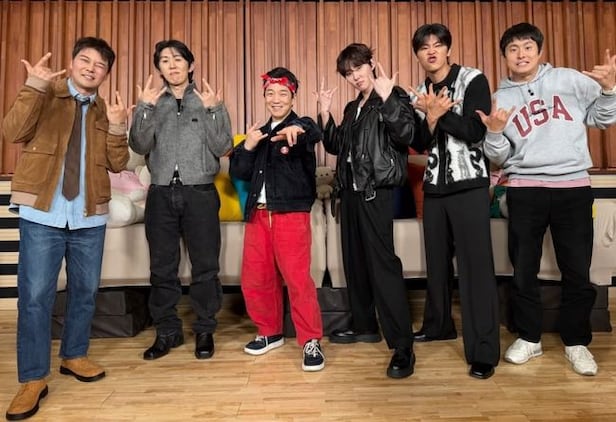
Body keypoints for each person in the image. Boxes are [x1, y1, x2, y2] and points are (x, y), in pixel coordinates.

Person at [479, 22, 616, 376]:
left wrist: (609, 90)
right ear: (504, 56)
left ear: (540, 51)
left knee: (577, 269)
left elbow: (601, 119)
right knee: (523, 269)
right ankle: (529, 338)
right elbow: (498, 155)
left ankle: (577, 342)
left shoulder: (568, 80)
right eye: (513, 49)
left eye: (528, 47)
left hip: (573, 187)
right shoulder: (499, 97)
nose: (521, 54)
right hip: (524, 189)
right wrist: (494, 133)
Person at [2, 38, 129, 420]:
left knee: (85, 292)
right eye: (84, 60)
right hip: (44, 212)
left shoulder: (105, 109)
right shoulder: (45, 93)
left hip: (89, 214)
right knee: (35, 297)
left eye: (100, 65)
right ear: (72, 63)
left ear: (106, 73)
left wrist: (118, 127)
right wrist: (33, 86)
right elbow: (12, 132)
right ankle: (32, 378)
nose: (91, 68)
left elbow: (117, 163)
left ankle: (74, 355)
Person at [314, 43, 415, 379]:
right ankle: (364, 325)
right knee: (355, 262)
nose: (355, 76)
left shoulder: (392, 95)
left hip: (376, 192)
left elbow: (406, 135)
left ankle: (402, 346)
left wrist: (388, 100)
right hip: (350, 194)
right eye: (348, 72)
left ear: (371, 64)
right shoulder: (351, 107)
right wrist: (325, 113)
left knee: (383, 266)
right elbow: (335, 145)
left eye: (358, 68)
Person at [129, 40, 232, 361]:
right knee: (162, 267)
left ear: (190, 65)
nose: (171, 65)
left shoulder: (208, 101)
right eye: (164, 60)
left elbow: (223, 146)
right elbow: (139, 144)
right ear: (159, 68)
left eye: (177, 59)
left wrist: (214, 110)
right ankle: (167, 332)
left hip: (200, 192)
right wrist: (144, 109)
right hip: (161, 193)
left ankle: (204, 329)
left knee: (205, 266)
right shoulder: (152, 103)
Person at [408, 23, 500, 379]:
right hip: (434, 187)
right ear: (418, 55)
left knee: (476, 269)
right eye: (424, 47)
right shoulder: (420, 91)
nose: (431, 51)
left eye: (438, 44)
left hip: (469, 185)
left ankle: (484, 351)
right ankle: (438, 326)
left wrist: (439, 114)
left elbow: (475, 133)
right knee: (437, 264)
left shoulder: (473, 80)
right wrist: (429, 117)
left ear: (448, 49)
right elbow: (419, 141)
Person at [229, 67, 325, 372]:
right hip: (258, 215)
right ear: (264, 97)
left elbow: (314, 130)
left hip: (290, 214)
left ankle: (311, 340)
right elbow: (237, 172)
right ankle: (269, 332)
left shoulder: (301, 127)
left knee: (298, 280)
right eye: (270, 93)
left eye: (283, 93)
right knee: (256, 278)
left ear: (292, 97)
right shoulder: (258, 134)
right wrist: (248, 145)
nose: (276, 99)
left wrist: (298, 129)